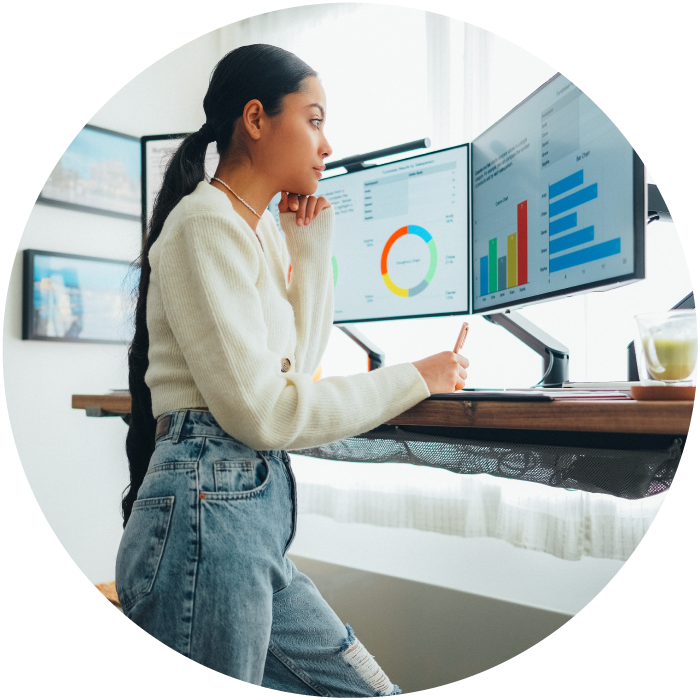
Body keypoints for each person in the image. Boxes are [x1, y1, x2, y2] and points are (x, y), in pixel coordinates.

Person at [116, 44, 469, 694]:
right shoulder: (203, 225)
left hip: (243, 517)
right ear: (255, 119)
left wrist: (308, 247)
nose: (327, 144)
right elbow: (268, 412)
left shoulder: (256, 231)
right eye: (313, 119)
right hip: (208, 508)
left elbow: (295, 375)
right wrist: (418, 377)